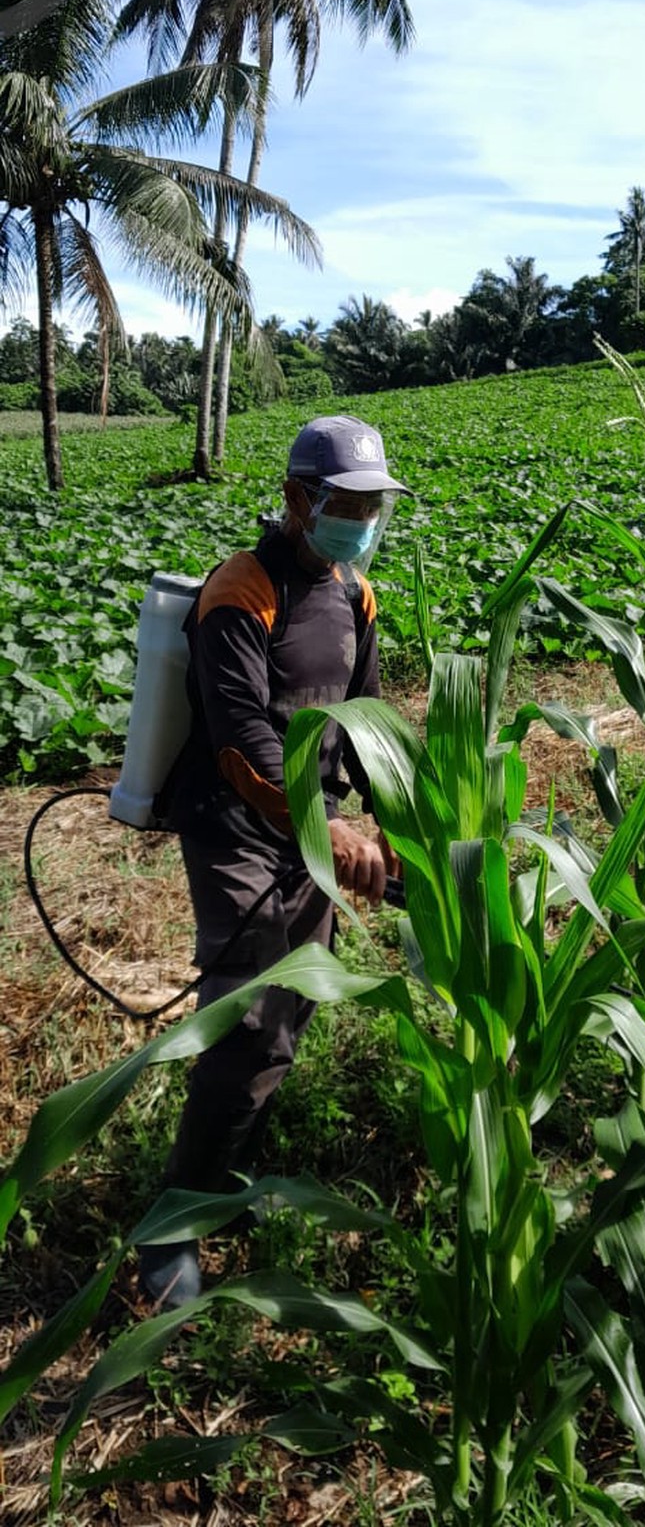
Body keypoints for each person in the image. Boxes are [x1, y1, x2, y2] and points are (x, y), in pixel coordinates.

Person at [137, 415, 407, 1307]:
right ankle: (172, 1223)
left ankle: (226, 1179)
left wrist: (394, 818)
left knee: (291, 1009)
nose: (362, 519)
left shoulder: (354, 595)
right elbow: (242, 738)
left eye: (375, 505)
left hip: (313, 835)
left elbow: (364, 723)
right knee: (247, 1016)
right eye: (348, 503)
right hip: (237, 829)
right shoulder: (240, 592)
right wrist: (322, 830)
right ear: (298, 498)